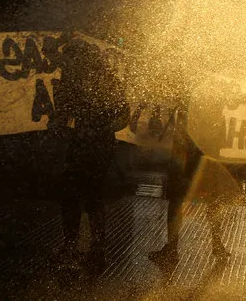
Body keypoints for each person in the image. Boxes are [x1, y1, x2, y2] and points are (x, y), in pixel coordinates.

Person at [53, 39, 130, 271]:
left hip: (95, 145)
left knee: (83, 195)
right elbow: (66, 112)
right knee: (82, 195)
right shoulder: (77, 80)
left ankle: (85, 247)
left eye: (70, 59)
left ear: (81, 58)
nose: (65, 64)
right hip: (88, 144)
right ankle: (86, 247)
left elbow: (123, 114)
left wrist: (100, 128)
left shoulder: (102, 81)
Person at [148, 97, 234, 266]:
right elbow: (222, 137)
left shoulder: (190, 106)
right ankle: (216, 244)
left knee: (177, 205)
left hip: (188, 164)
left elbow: (181, 136)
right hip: (205, 164)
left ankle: (172, 249)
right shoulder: (216, 107)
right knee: (211, 204)